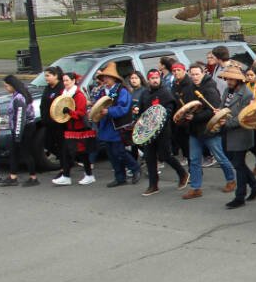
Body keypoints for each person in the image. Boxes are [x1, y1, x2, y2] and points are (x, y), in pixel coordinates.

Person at [178, 62, 236, 200]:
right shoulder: (188, 89)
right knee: (194, 160)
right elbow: (186, 107)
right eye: (192, 74)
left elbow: (213, 111)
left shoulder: (210, 89)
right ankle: (196, 188)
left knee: (220, 157)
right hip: (194, 131)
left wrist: (195, 116)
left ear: (203, 73)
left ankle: (231, 180)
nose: (195, 77)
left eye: (197, 74)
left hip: (209, 130)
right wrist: (186, 115)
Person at [136, 68, 189, 196]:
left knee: (165, 156)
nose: (154, 80)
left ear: (159, 78)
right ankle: (153, 185)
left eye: (156, 78)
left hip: (163, 130)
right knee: (149, 157)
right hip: (148, 131)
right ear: (148, 80)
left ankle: (183, 174)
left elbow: (169, 110)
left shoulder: (165, 92)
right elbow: (142, 112)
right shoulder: (144, 94)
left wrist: (160, 120)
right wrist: (137, 113)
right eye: (152, 78)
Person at [218, 65, 256, 209]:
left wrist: (227, 122)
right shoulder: (226, 90)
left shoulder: (247, 94)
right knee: (239, 164)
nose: (229, 81)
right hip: (227, 133)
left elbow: (245, 117)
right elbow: (223, 106)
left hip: (240, 134)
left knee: (238, 165)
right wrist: (218, 113)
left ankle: (240, 196)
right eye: (228, 78)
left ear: (239, 80)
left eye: (232, 79)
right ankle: (255, 185)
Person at [92, 62, 140, 188]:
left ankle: (135, 168)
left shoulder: (121, 91)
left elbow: (124, 108)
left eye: (107, 77)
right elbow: (97, 105)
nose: (105, 80)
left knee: (120, 152)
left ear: (114, 78)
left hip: (117, 127)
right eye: (103, 78)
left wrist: (109, 111)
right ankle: (120, 177)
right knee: (111, 155)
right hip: (106, 126)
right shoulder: (103, 92)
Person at [52, 70, 97, 186]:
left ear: (73, 81)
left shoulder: (79, 95)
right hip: (70, 128)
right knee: (67, 152)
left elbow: (81, 114)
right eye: (64, 80)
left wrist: (70, 112)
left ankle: (89, 175)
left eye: (67, 80)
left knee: (82, 153)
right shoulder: (64, 94)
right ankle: (67, 176)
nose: (65, 82)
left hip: (80, 128)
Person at [0, 74, 39, 186]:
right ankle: (13, 176)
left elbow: (20, 117)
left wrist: (17, 135)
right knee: (14, 152)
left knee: (25, 152)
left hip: (24, 128)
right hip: (18, 128)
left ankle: (33, 177)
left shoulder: (19, 98)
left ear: (12, 85)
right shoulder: (17, 95)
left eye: (6, 86)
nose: (5, 88)